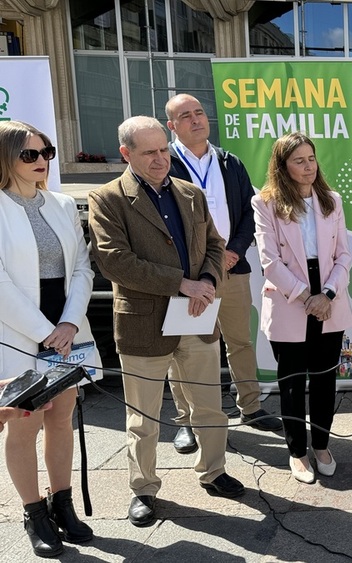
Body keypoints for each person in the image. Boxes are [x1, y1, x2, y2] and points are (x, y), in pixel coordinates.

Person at [88, 116, 245, 529]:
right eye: (149, 153)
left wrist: (209, 280)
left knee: (210, 407)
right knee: (143, 417)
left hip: (195, 318)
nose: (161, 159)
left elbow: (215, 244)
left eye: (163, 149)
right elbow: (113, 261)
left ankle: (213, 471)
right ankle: (143, 489)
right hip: (144, 324)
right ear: (126, 154)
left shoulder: (190, 194)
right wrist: (182, 283)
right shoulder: (106, 199)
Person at [165, 93, 282, 455]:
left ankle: (250, 406)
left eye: (199, 112)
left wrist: (233, 251)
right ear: (172, 126)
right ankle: (187, 420)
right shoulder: (164, 163)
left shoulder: (229, 161)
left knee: (240, 341)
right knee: (185, 350)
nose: (196, 120)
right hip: (189, 277)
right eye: (185, 116)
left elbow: (250, 211)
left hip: (232, 269)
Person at [0, 120, 96, 557]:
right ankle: (33, 512)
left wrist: (70, 323)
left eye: (47, 152)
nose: (41, 161)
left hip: (66, 328)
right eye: (30, 155)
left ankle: (63, 502)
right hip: (19, 334)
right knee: (25, 424)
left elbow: (82, 267)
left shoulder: (60, 203)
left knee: (63, 419)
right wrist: (44, 332)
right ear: (7, 158)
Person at [252, 132, 352, 484]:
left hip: (328, 298)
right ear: (282, 166)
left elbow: (343, 254)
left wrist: (325, 294)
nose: (308, 166)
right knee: (292, 382)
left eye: (311, 158)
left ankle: (322, 445)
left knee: (325, 380)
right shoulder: (265, 203)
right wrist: (304, 295)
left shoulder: (332, 200)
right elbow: (270, 262)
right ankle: (297, 452)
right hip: (288, 298)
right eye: (298, 160)